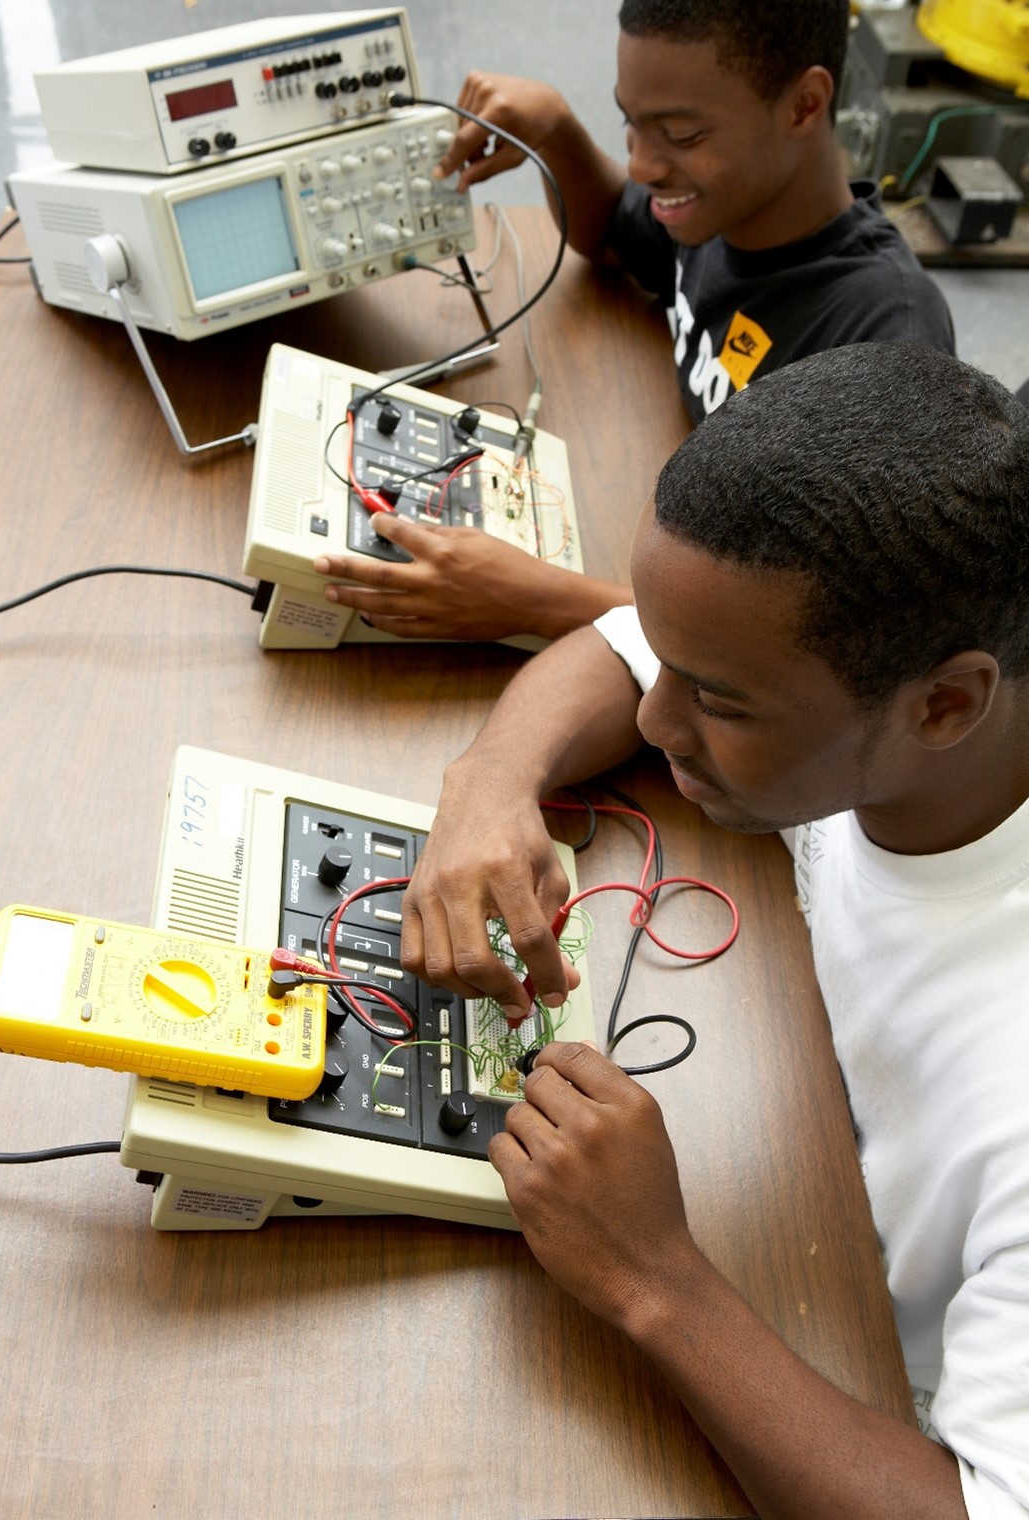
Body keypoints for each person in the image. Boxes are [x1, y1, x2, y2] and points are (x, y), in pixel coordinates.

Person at [397, 343, 1029, 1520]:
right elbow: (628, 645)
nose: (652, 716)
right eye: (674, 672)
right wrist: (488, 783)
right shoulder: (896, 727)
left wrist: (653, 1275)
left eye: (719, 702)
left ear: (946, 702)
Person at [311, 0, 954, 646]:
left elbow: (831, 640)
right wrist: (557, 129)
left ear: (803, 106)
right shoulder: (723, 211)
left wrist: (539, 600)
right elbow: (615, 232)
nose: (644, 165)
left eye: (681, 135)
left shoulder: (884, 338)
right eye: (630, 124)